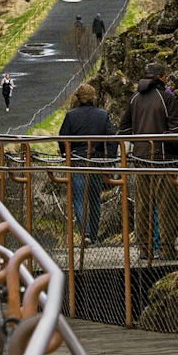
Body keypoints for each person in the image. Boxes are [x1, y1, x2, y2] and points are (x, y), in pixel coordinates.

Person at [119, 62, 178, 261]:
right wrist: (172, 154)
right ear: (161, 77)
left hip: (140, 159)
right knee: (167, 204)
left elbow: (123, 129)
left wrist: (137, 146)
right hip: (162, 159)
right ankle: (167, 248)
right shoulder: (166, 99)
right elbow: (176, 131)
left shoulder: (135, 99)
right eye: (166, 74)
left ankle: (145, 249)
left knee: (143, 205)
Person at [59, 83, 116, 241]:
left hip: (77, 160)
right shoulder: (102, 115)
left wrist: (66, 155)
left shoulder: (71, 115)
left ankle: (86, 232)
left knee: (78, 197)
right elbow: (112, 138)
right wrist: (110, 160)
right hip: (95, 159)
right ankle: (94, 232)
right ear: (93, 97)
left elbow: (62, 137)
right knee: (94, 197)